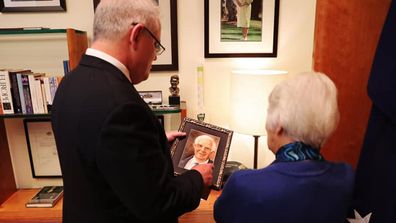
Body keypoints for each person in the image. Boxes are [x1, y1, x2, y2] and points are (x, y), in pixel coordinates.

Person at [51, 0, 213, 222]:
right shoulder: (121, 106)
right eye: (156, 45)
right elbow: (160, 203)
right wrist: (198, 178)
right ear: (136, 34)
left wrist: (152, 144)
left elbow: (102, 155)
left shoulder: (69, 83)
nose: (155, 56)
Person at [214, 72, 354, 223]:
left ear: (279, 123)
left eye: (268, 112)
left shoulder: (243, 184)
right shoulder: (346, 177)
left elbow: (220, 215)